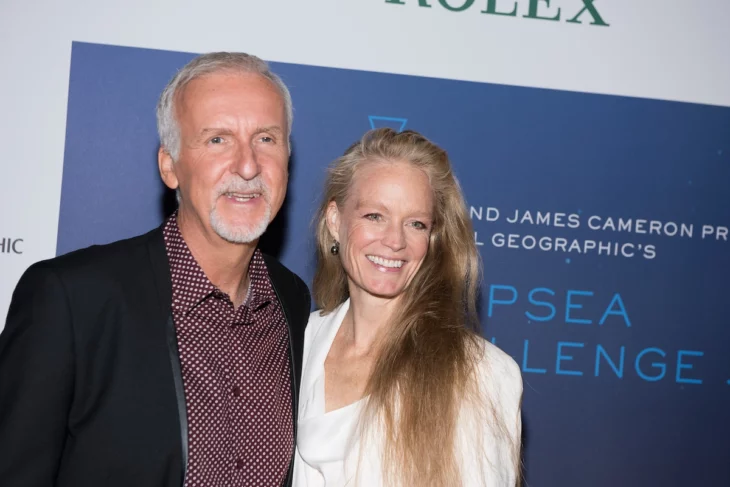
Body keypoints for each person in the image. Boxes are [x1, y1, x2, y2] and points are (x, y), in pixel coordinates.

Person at [0, 52, 310, 487]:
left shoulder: (292, 302)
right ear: (170, 166)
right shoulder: (72, 299)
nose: (247, 166)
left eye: (266, 139)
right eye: (218, 139)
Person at [293, 128, 523, 486]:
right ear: (336, 221)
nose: (395, 241)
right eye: (374, 216)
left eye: (416, 224)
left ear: (432, 239)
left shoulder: (479, 374)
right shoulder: (295, 342)